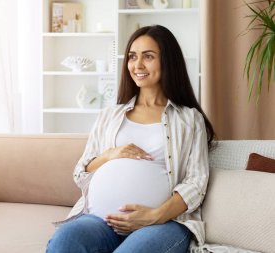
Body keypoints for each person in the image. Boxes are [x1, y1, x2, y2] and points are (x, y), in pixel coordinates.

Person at [46, 25, 215, 253]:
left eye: (148, 56)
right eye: (132, 57)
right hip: (99, 220)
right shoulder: (109, 116)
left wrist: (154, 216)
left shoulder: (188, 119)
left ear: (168, 61)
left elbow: (196, 182)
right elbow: (81, 172)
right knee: (66, 240)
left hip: (163, 224)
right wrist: (110, 154)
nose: (138, 65)